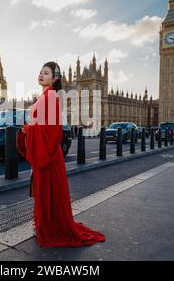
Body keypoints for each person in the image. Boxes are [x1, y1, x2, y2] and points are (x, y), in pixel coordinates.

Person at [20, 61, 105, 247]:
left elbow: (54, 131)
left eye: (46, 73)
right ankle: (44, 223)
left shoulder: (51, 97)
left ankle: (49, 226)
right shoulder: (44, 96)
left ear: (55, 78)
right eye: (40, 72)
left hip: (48, 156)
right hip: (43, 153)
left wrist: (29, 130)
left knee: (48, 193)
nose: (41, 75)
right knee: (44, 193)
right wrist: (31, 130)